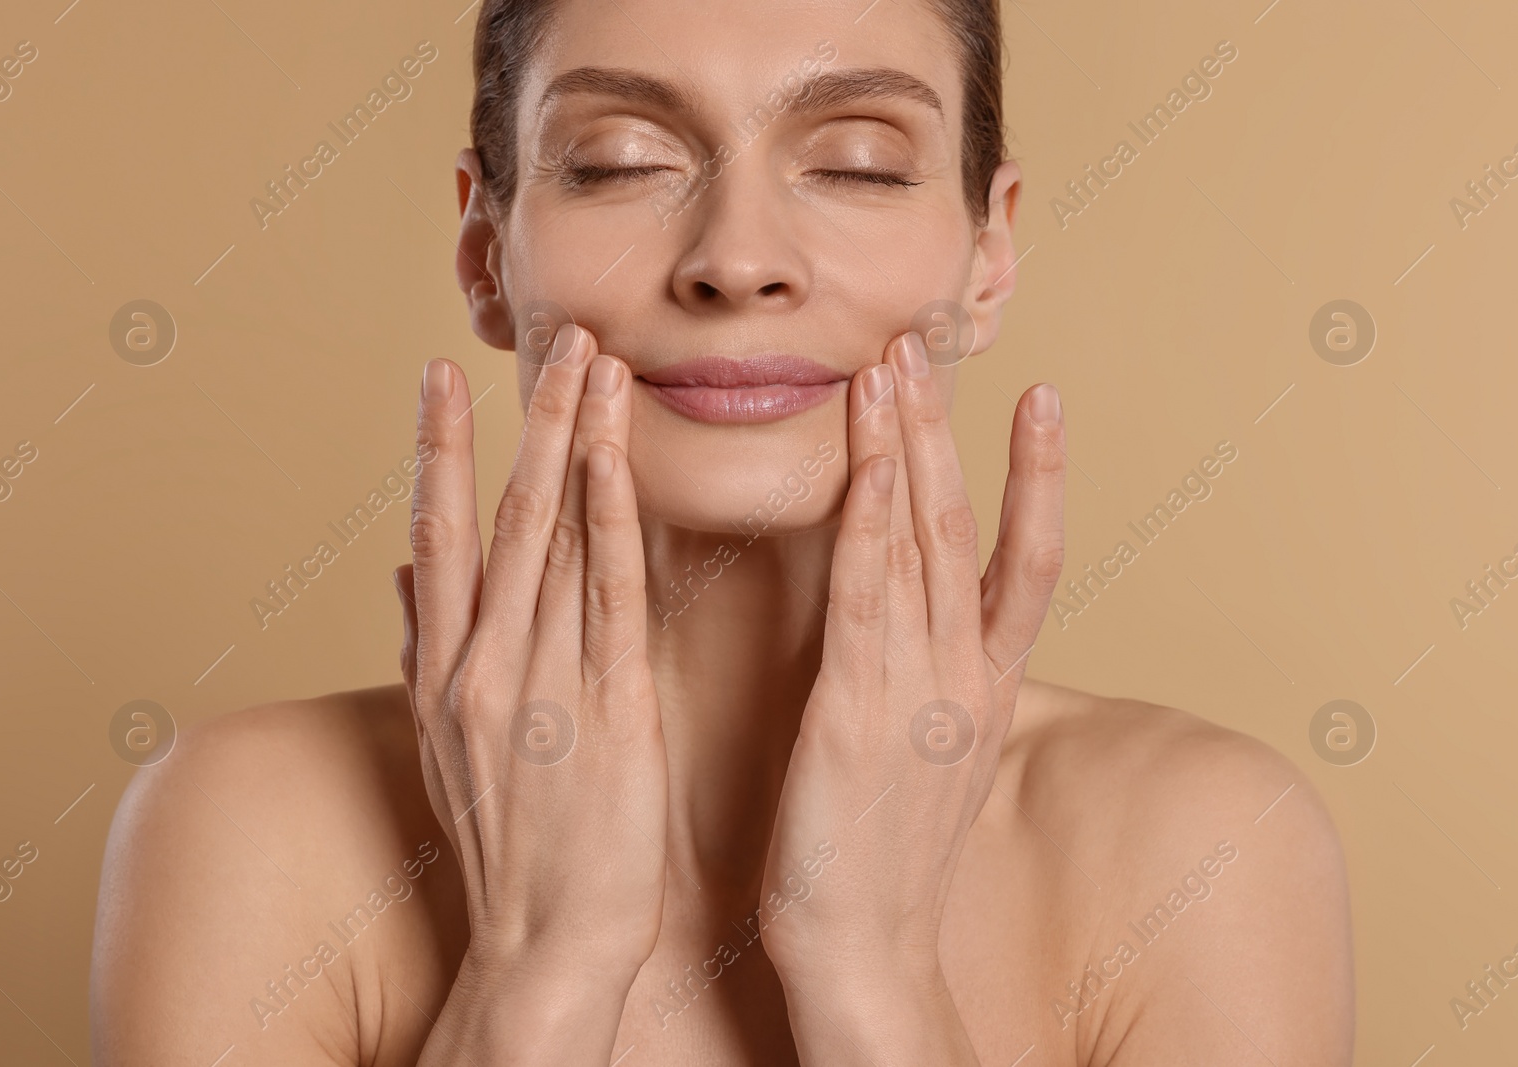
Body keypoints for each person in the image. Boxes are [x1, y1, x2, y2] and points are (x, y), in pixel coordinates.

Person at [91, 0, 1354, 1062]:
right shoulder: (249, 830)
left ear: (987, 249)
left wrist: (877, 978)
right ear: (487, 250)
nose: (737, 259)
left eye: (857, 162)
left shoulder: (1200, 850)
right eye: (619, 158)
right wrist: (539, 972)